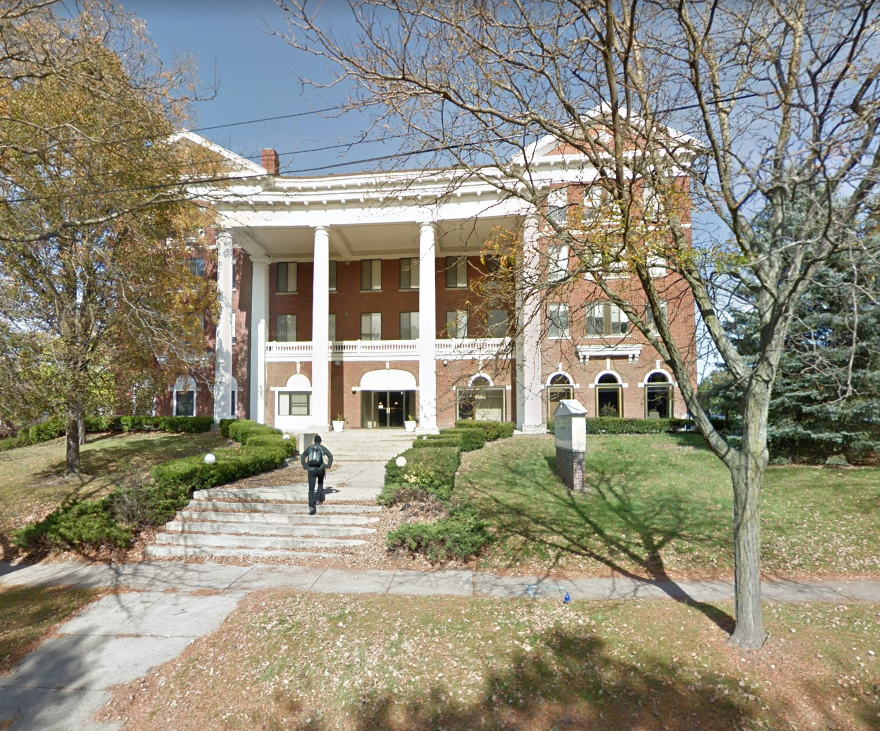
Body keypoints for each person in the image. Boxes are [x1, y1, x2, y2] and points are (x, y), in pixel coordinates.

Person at [300, 434, 333, 515]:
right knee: (320, 483)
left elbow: (303, 455)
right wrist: (328, 465)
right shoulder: (322, 448)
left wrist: (304, 465)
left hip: (311, 470)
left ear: (314, 441)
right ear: (320, 441)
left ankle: (311, 506)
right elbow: (330, 456)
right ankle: (318, 499)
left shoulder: (310, 448)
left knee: (311, 489)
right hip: (320, 469)